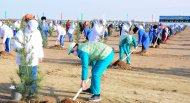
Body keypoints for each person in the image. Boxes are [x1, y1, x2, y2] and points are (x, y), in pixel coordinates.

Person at [14, 19, 44, 92]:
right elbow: (16, 44)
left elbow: (40, 44)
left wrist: (40, 55)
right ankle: (24, 91)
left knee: (33, 75)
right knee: (23, 75)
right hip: (23, 58)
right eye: (31, 28)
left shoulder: (37, 32)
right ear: (28, 26)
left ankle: (32, 93)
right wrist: (21, 49)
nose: (32, 30)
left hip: (33, 57)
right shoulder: (21, 32)